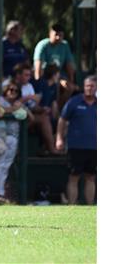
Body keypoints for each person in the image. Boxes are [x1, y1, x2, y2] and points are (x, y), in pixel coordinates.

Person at [0, 81, 32, 203]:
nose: (13, 92)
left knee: (5, 166)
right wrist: (14, 109)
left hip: (13, 138)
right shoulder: (0, 100)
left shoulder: (19, 103)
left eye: (16, 91)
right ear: (6, 90)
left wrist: (22, 108)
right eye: (10, 90)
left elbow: (31, 118)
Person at [56, 75, 97, 205]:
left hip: (95, 146)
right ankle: (72, 206)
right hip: (76, 145)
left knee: (91, 177)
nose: (89, 89)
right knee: (74, 177)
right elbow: (62, 120)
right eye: (87, 86)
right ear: (83, 87)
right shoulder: (74, 102)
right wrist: (59, 138)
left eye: (92, 86)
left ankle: (90, 206)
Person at [33, 23, 77, 109]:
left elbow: (69, 64)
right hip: (45, 75)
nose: (58, 38)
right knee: (49, 88)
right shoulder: (43, 45)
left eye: (60, 35)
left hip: (58, 75)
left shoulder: (64, 45)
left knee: (69, 87)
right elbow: (38, 66)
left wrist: (71, 80)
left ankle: (60, 110)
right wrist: (39, 83)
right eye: (56, 35)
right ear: (50, 34)